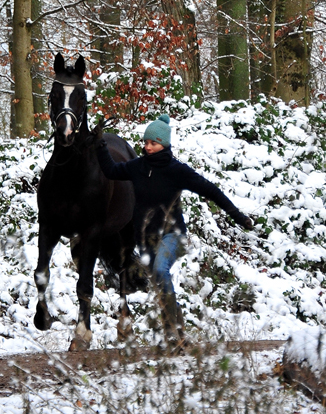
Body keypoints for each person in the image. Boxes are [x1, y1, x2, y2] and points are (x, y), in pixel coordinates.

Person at [95, 114, 253, 347]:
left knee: (160, 269)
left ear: (165, 144)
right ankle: (178, 334)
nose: (148, 147)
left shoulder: (177, 170)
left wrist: (238, 216)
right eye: (146, 143)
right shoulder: (137, 167)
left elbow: (211, 191)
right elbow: (110, 170)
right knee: (160, 283)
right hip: (146, 241)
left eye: (153, 143)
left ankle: (171, 331)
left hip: (173, 235)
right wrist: (99, 143)